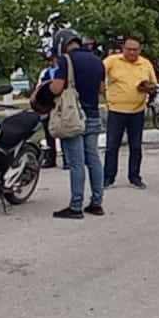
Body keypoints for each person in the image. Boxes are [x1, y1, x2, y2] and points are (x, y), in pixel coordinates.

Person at [46, 28, 107, 218]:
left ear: (61, 44)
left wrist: (45, 89)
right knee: (94, 159)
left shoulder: (66, 60)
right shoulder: (98, 61)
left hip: (72, 116)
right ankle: (97, 203)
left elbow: (57, 88)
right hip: (93, 114)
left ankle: (76, 206)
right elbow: (102, 89)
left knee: (76, 163)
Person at [103, 36, 158, 189]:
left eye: (135, 50)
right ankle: (108, 177)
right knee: (112, 146)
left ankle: (134, 176)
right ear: (123, 49)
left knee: (136, 146)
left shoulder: (145, 63)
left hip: (137, 111)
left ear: (139, 50)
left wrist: (148, 87)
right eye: (129, 49)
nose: (132, 52)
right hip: (116, 110)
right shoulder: (112, 61)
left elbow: (153, 84)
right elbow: (99, 75)